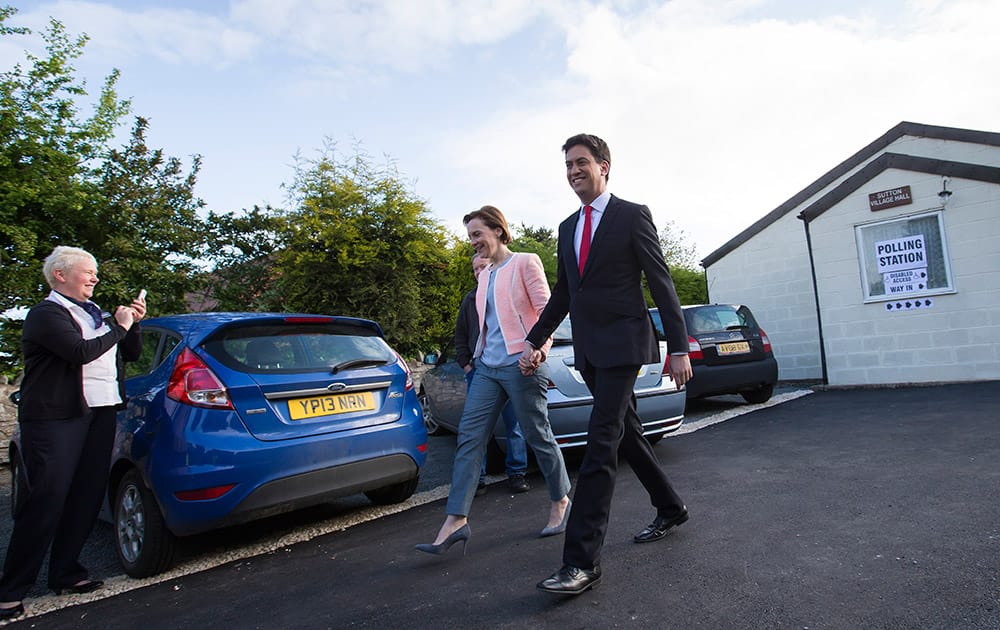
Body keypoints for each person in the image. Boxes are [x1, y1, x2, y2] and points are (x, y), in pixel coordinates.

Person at [521, 134, 693, 596]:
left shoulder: (631, 215)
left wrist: (678, 347)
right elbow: (564, 293)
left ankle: (581, 562)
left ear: (605, 166)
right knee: (627, 433)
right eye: (568, 165)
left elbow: (661, 282)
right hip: (590, 352)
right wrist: (536, 339)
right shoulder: (566, 227)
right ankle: (671, 506)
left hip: (625, 345)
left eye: (582, 162)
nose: (574, 171)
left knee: (601, 443)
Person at [416, 206, 571, 555]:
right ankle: (456, 519)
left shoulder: (526, 262)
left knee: (537, 434)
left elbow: (548, 312)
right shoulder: (484, 275)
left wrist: (539, 350)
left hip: (522, 364)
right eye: (470, 236)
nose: (473, 243)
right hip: (487, 366)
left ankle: (560, 499)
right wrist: (473, 360)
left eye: (477, 234)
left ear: (498, 231)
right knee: (470, 439)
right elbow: (486, 324)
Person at [0, 246, 145, 620]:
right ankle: (11, 590)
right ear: (61, 275)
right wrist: (120, 326)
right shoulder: (46, 314)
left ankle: (66, 572)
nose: (95, 277)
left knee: (86, 495)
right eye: (88, 271)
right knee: (47, 498)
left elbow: (129, 353)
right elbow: (79, 352)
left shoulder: (94, 313)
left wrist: (134, 324)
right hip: (56, 419)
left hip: (100, 412)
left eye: (95, 271)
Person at [454, 254, 530, 495]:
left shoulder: (505, 293)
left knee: (515, 424)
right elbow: (460, 335)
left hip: (508, 367)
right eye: (475, 269)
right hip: (479, 370)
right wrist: (467, 365)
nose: (479, 272)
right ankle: (478, 479)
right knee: (477, 429)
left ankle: (517, 474)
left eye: (483, 267)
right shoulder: (469, 300)